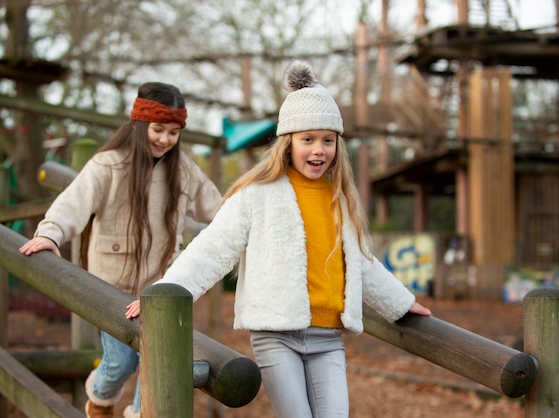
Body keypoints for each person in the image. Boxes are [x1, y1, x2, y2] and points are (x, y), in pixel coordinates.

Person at [126, 61, 432, 418]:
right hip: (277, 336)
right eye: (308, 140)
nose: (319, 150)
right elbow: (213, 249)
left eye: (327, 140)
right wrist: (167, 290)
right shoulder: (258, 194)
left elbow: (362, 262)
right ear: (288, 143)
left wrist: (401, 303)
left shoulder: (340, 198)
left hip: (328, 339)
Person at [19, 82, 222, 418]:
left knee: (157, 360)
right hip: (111, 289)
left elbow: (218, 210)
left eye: (173, 133)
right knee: (121, 362)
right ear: (140, 124)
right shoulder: (109, 165)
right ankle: (99, 399)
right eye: (158, 130)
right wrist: (51, 235)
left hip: (160, 289)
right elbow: (73, 203)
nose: (165, 140)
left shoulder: (183, 169)